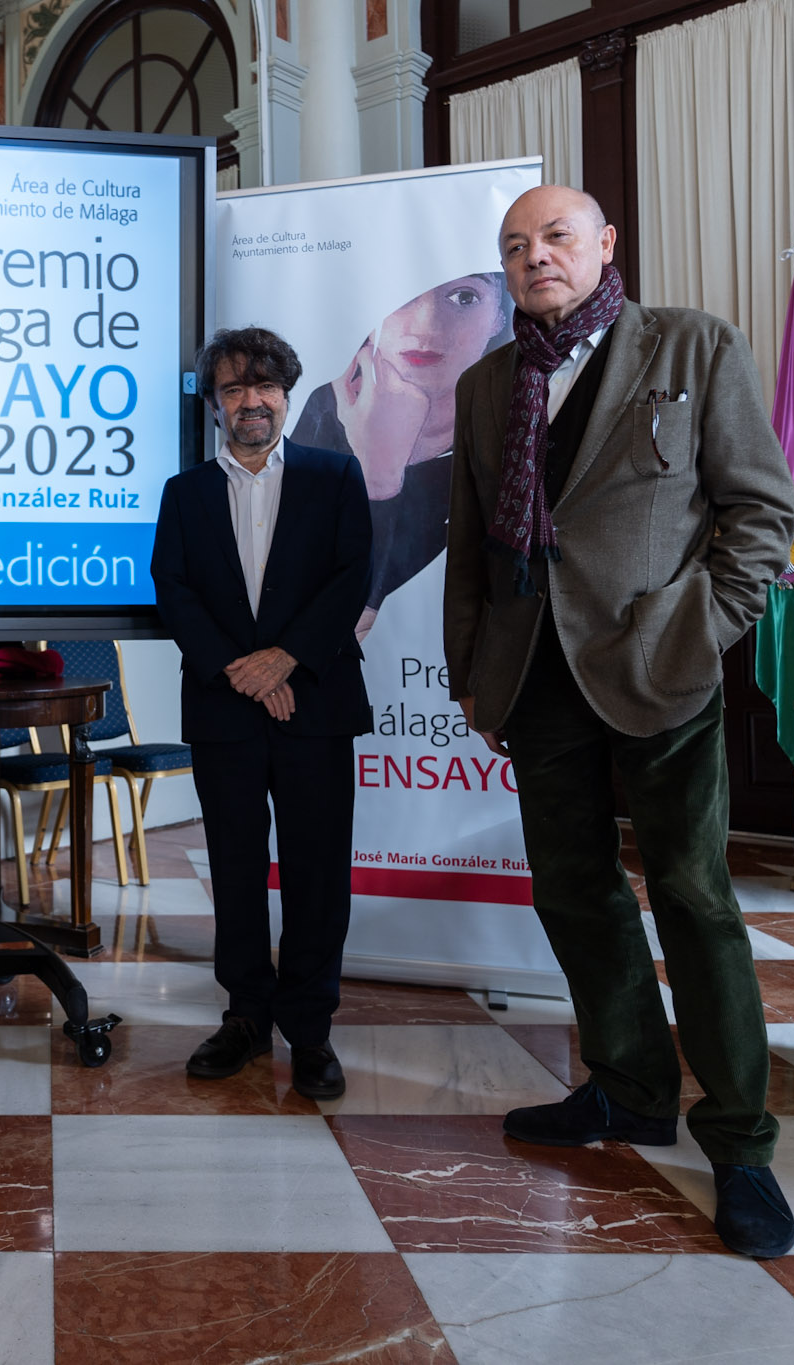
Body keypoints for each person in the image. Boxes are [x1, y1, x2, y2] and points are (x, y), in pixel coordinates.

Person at [444, 185, 794, 1258]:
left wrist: (696, 633)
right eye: (514, 246)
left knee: (691, 896)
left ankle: (738, 1141)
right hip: (532, 680)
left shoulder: (690, 346)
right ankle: (630, 1087)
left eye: (554, 237)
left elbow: (760, 514)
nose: (534, 256)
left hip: (658, 674)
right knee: (574, 893)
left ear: (604, 243)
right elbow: (471, 544)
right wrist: (471, 676)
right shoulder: (484, 384)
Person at [151, 326, 374, 1100]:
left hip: (315, 703)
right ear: (214, 406)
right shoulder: (184, 494)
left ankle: (310, 1031)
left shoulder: (335, 476)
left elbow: (352, 577)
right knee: (237, 872)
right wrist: (240, 670)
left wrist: (286, 658)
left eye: (265, 386)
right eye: (234, 389)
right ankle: (246, 1015)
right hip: (225, 712)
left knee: (318, 873)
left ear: (286, 393)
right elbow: (172, 589)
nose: (252, 401)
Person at [291, 273, 512, 638]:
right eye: (401, 292)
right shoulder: (315, 415)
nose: (425, 327)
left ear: (498, 318)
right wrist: (376, 476)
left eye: (464, 297)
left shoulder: (509, 441)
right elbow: (323, 624)